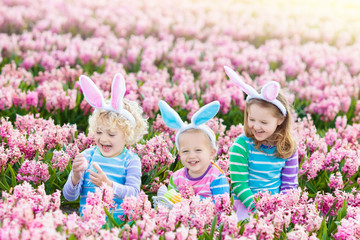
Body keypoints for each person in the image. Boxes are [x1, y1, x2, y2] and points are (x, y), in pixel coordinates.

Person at [63, 73, 148, 222]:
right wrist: (75, 178)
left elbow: (134, 193)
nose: (103, 139)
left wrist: (108, 185)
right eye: (99, 132)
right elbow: (69, 196)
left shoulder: (131, 160)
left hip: (119, 226)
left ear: (127, 135)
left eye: (111, 134)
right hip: (89, 225)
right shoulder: (87, 156)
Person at [224, 66, 299, 221]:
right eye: (252, 119)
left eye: (264, 122)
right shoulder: (241, 146)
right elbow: (239, 186)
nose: (256, 126)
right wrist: (258, 209)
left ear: (280, 119)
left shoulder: (288, 148)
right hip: (245, 204)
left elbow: (289, 186)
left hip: (275, 207)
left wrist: (280, 209)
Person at [156, 100, 230, 203]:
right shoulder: (176, 177)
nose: (191, 156)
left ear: (212, 153)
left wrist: (191, 201)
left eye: (198, 150)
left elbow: (222, 206)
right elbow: (170, 205)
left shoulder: (216, 178)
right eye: (185, 151)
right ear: (180, 154)